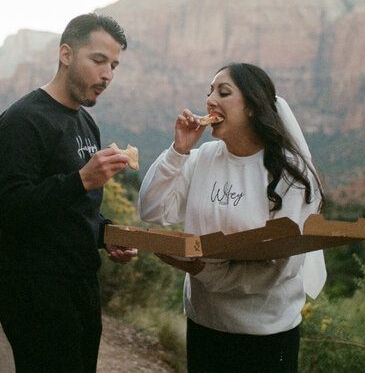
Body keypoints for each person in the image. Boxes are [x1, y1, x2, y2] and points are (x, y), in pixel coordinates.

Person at [138, 62, 326, 373]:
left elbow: (282, 266)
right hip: (204, 325)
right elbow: (153, 211)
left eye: (223, 92)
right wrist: (178, 151)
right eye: (209, 91)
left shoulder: (291, 174)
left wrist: (204, 271)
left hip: (267, 334)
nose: (210, 99)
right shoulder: (202, 159)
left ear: (252, 107)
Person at [0, 13, 138, 372]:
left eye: (114, 65)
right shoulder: (22, 121)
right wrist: (82, 180)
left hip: (81, 283)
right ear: (66, 55)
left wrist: (105, 234)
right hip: (33, 287)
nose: (108, 75)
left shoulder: (87, 122)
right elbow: (10, 208)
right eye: (99, 61)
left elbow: (76, 211)